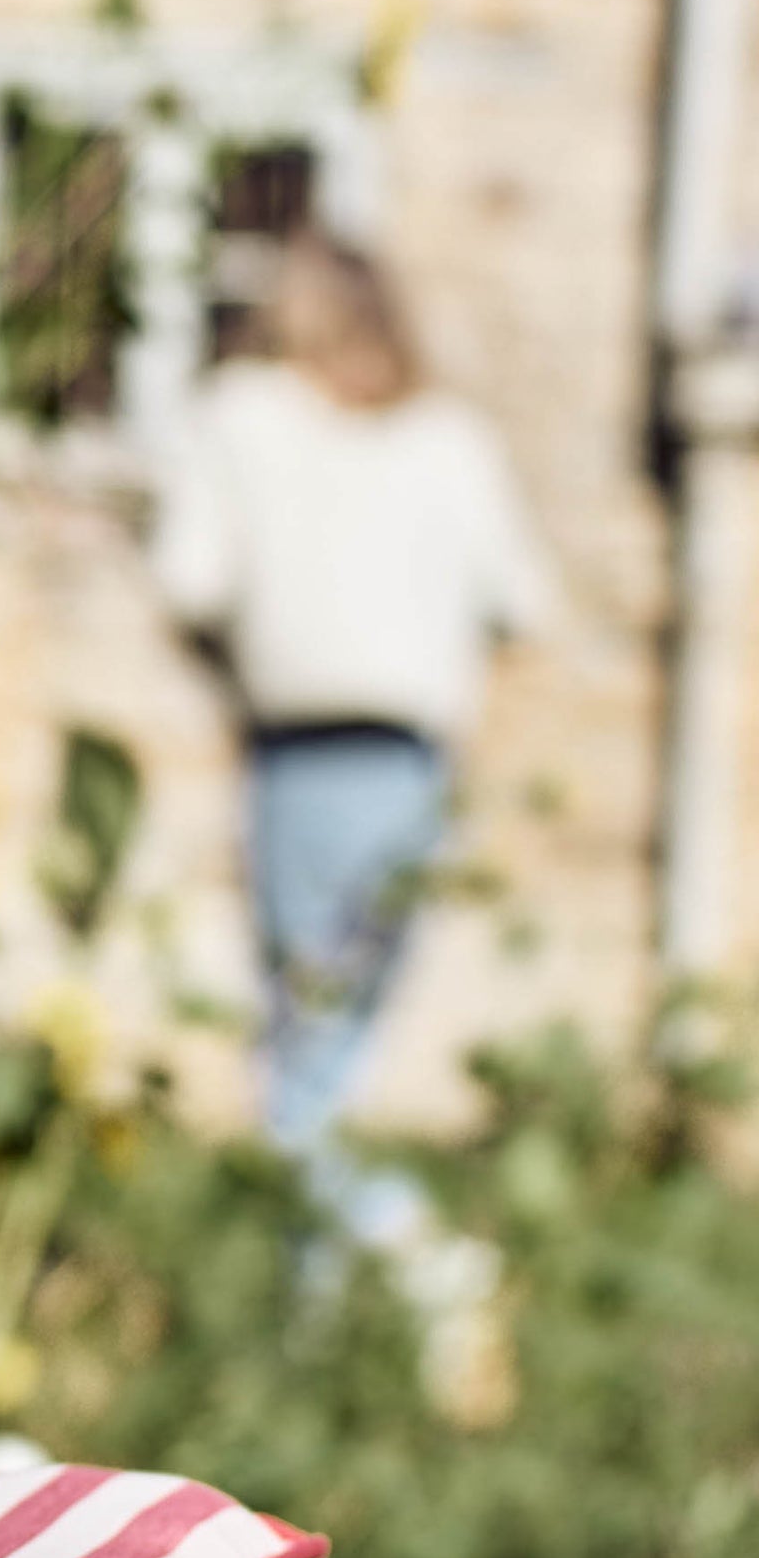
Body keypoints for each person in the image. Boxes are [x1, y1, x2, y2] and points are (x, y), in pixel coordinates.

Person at [152, 229, 551, 1196]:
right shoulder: (450, 441)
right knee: (344, 1035)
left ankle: (365, 1262)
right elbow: (527, 604)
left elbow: (186, 582)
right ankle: (356, 1269)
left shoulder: (242, 415)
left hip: (300, 755)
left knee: (305, 1038)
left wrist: (232, 663)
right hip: (409, 767)